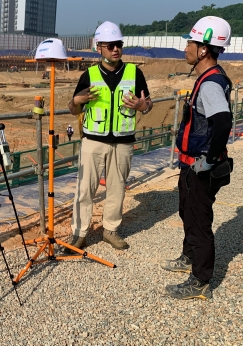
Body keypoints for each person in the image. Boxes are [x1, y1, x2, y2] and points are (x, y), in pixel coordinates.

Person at [161, 16, 233, 300]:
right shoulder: (209, 77)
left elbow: (223, 121)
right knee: (187, 212)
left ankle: (200, 281)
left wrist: (210, 159)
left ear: (204, 49)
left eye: (190, 42)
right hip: (190, 164)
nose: (186, 47)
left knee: (199, 221)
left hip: (200, 167)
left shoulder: (210, 84)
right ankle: (189, 256)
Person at [66, 21, 153, 251]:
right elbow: (73, 108)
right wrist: (77, 101)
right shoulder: (89, 75)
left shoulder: (135, 73)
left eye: (118, 45)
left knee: (117, 188)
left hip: (123, 142)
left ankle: (110, 230)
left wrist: (143, 105)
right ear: (99, 48)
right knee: (85, 189)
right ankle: (79, 233)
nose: (116, 49)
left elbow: (148, 104)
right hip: (93, 142)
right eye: (110, 45)